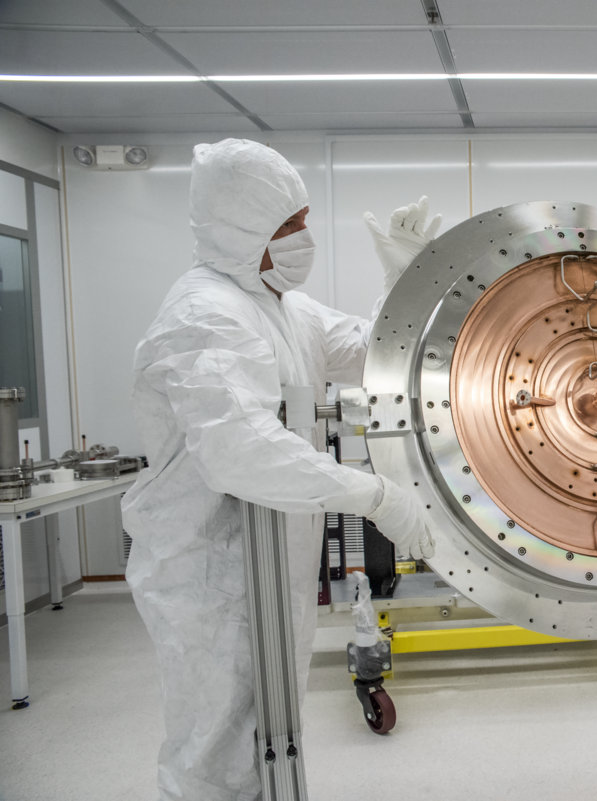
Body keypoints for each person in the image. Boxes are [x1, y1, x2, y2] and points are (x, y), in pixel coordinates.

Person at [121, 138, 441, 801]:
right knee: (213, 756)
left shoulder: (281, 308)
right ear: (241, 228)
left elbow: (370, 352)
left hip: (274, 570)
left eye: (302, 220)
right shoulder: (204, 315)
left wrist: (403, 283)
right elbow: (244, 449)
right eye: (288, 225)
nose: (303, 238)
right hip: (212, 578)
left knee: (274, 737)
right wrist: (376, 494)